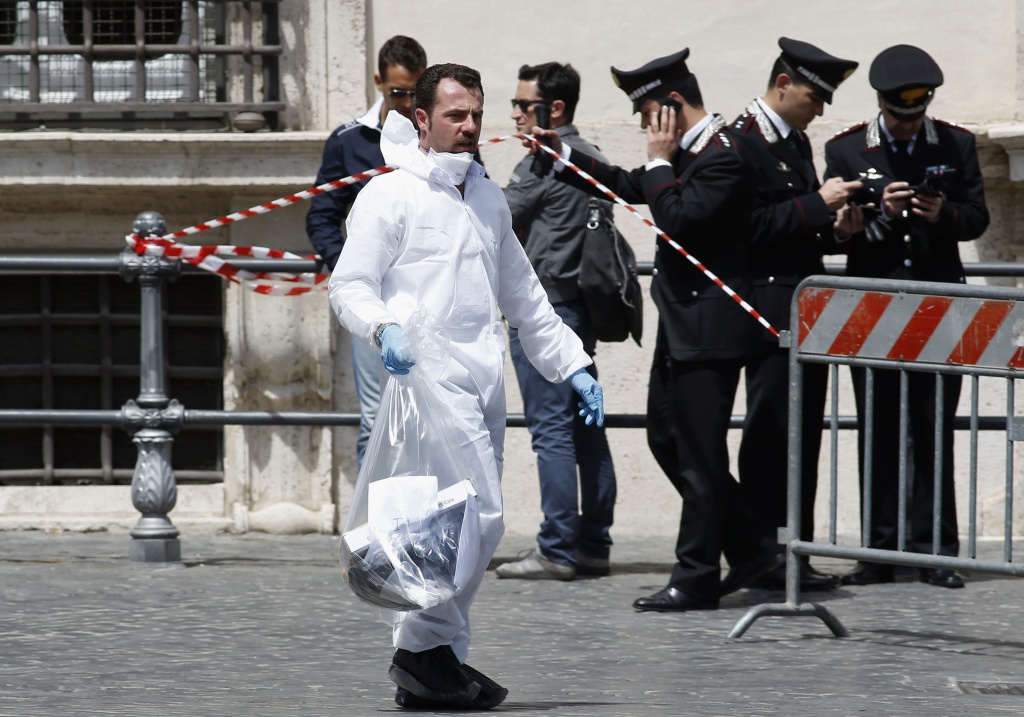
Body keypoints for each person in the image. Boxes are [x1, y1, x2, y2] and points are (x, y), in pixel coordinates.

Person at [329, 63, 606, 709]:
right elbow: (350, 285)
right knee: (473, 518)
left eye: (476, 114)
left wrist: (572, 363)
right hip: (423, 383)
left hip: (481, 380)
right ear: (422, 120)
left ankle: (437, 660)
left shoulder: (483, 196)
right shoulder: (390, 195)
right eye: (456, 115)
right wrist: (383, 329)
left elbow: (524, 294)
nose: (471, 126)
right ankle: (421, 649)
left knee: (442, 528)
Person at [532, 48, 763, 611]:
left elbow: (677, 219)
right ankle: (756, 548)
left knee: (700, 454)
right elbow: (628, 184)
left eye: (647, 114)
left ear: (672, 105)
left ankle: (698, 575)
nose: (643, 127)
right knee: (667, 438)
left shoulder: (725, 155)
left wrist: (659, 161)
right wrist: (563, 155)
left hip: (711, 330)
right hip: (682, 325)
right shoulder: (688, 154)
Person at [824, 45, 990, 589]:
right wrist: (876, 214)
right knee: (878, 429)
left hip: (939, 310)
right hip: (874, 312)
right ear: (881, 105)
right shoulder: (846, 149)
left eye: (914, 117)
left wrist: (943, 215)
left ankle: (936, 551)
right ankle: (879, 551)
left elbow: (977, 218)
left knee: (933, 427)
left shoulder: (957, 143)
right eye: (898, 117)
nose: (905, 127)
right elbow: (835, 228)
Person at [727, 38, 861, 594]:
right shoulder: (741, 142)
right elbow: (746, 230)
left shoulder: (797, 141)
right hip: (767, 311)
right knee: (771, 435)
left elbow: (795, 227)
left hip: (805, 312)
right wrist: (816, 206)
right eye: (813, 95)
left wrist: (835, 228)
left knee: (802, 433)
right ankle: (764, 554)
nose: (821, 108)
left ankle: (794, 550)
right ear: (783, 84)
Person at [494, 62, 617, 581]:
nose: (515, 113)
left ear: (554, 109)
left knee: (552, 432)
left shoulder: (545, 162)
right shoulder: (591, 157)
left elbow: (495, 213)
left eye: (524, 105)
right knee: (587, 429)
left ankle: (557, 548)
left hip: (546, 313)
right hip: (580, 310)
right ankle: (592, 543)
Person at [306, 35, 427, 466]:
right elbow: (320, 216)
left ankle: (425, 530)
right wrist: (352, 275)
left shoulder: (437, 134)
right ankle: (372, 529)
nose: (407, 100)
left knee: (436, 417)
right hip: (374, 296)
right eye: (398, 92)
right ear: (379, 82)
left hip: (430, 292)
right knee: (376, 419)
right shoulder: (349, 139)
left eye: (415, 91)